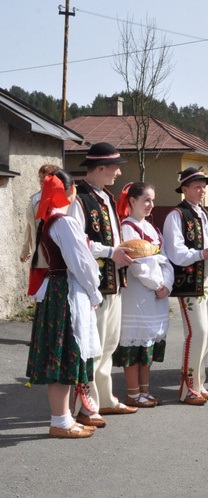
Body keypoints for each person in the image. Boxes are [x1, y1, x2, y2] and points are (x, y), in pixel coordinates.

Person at [27, 170, 103, 438]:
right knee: (63, 354)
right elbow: (82, 264)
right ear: (71, 193)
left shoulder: (48, 220)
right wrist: (96, 293)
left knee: (59, 354)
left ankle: (64, 418)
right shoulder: (65, 222)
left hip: (56, 289)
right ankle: (60, 421)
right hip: (66, 293)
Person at [67, 142, 135, 427]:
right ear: (102, 167)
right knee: (91, 346)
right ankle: (85, 406)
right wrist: (111, 252)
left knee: (108, 344)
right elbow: (77, 241)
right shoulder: (78, 198)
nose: (119, 172)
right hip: (92, 284)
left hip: (114, 281)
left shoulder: (106, 196)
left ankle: (103, 398)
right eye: (116, 167)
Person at [163, 167, 208, 405]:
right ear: (184, 189)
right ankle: (187, 387)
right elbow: (176, 253)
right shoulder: (176, 215)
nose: (201, 190)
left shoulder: (205, 214)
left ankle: (199, 383)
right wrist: (202, 254)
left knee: (207, 333)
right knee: (196, 333)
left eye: (203, 186)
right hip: (189, 282)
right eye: (196, 186)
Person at [112, 182, 174, 407]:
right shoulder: (127, 227)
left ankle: (145, 392)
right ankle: (133, 393)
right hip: (138, 294)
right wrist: (157, 284)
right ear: (132, 201)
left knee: (147, 345)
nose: (150, 205)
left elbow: (166, 260)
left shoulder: (152, 228)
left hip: (156, 295)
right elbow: (135, 264)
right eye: (146, 200)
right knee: (135, 345)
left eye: (152, 200)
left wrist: (167, 284)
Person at [21, 164, 59, 295]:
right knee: (37, 293)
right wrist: (26, 249)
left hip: (52, 255)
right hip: (38, 255)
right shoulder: (34, 198)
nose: (42, 180)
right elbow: (30, 225)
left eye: (46, 177)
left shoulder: (58, 200)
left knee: (50, 294)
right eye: (40, 177)